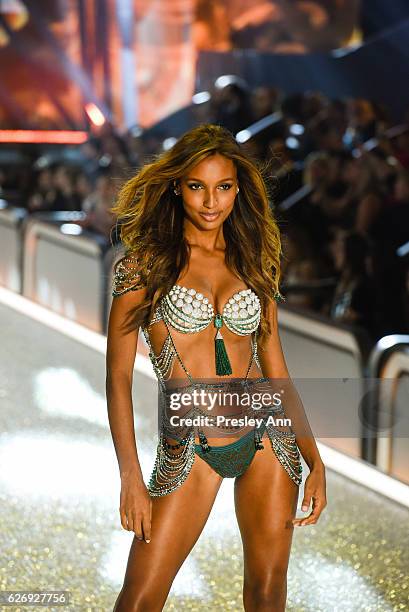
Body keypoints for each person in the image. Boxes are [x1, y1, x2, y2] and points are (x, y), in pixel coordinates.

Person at [106, 124, 327, 611]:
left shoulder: (254, 260)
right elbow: (118, 380)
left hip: (269, 433)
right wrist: (129, 476)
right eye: (197, 186)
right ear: (175, 186)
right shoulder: (142, 267)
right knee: (140, 598)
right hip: (191, 445)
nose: (211, 202)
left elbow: (276, 367)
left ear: (238, 189)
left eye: (224, 187)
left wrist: (315, 459)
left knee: (267, 594)